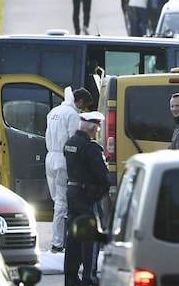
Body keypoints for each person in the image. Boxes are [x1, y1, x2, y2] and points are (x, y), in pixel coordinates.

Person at [63, 111, 110, 286]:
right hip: (88, 197)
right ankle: (89, 278)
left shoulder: (70, 143)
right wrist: (104, 188)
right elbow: (102, 175)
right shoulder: (91, 147)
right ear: (93, 128)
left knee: (73, 238)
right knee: (91, 237)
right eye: (97, 127)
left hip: (72, 194)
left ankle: (70, 278)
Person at [45, 87, 92, 253]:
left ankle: (60, 240)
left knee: (56, 200)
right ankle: (58, 242)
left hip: (50, 157)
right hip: (63, 159)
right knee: (62, 203)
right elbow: (73, 141)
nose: (82, 108)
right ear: (79, 101)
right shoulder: (72, 115)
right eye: (83, 105)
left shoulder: (54, 111)